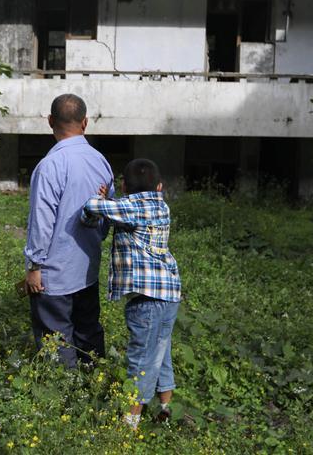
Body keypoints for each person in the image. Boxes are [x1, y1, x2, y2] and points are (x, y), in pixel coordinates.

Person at [81, 159, 182, 429]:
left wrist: (104, 199)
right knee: (161, 351)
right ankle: (165, 409)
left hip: (147, 300)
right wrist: (112, 203)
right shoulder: (161, 206)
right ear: (160, 186)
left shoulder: (130, 206)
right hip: (169, 294)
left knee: (141, 359)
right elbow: (117, 212)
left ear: (124, 186)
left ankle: (130, 423)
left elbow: (90, 208)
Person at [24, 94, 113, 368]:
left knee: (56, 336)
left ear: (50, 121)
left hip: (54, 274)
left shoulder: (49, 166)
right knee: (88, 331)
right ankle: (93, 382)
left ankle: (66, 395)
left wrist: (35, 264)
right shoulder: (101, 162)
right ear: (85, 123)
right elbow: (109, 213)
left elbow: (42, 219)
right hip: (87, 267)